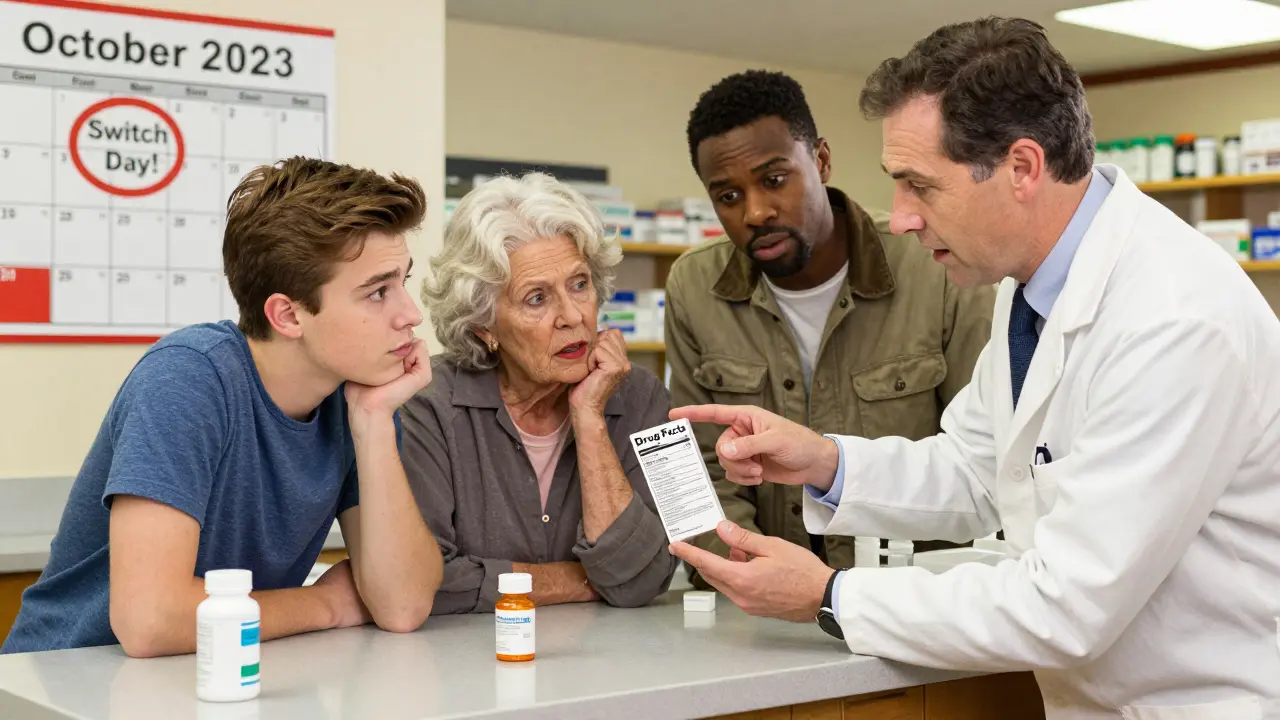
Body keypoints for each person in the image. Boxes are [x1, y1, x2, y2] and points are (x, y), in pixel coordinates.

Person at [668, 17, 1280, 719]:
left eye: (919, 187)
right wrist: (824, 461)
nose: (898, 219)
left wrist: (830, 596)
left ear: (1022, 168)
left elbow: (1067, 604)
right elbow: (976, 467)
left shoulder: (1173, 320)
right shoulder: (1031, 287)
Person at [2, 158, 444, 657]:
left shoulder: (358, 398)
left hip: (204, 677)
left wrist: (374, 424)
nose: (411, 315)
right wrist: (325, 606)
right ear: (288, 315)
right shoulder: (187, 378)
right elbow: (150, 621)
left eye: (402, 282)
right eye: (378, 292)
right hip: (66, 683)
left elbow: (403, 606)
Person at [666, 69, 995, 581]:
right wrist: (748, 572)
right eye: (728, 196)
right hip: (755, 610)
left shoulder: (936, 264)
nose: (755, 212)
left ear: (820, 160)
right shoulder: (693, 285)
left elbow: (985, 460)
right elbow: (696, 469)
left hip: (915, 600)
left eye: (774, 180)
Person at [400, 171, 678, 614]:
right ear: (483, 326)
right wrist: (583, 578)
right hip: (466, 666)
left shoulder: (645, 397)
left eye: (579, 284)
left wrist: (589, 418)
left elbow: (645, 579)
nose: (572, 316)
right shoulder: (424, 405)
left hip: (618, 665)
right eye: (536, 298)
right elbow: (423, 581)